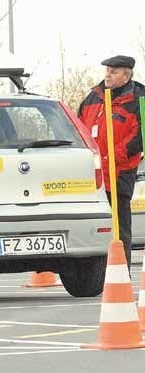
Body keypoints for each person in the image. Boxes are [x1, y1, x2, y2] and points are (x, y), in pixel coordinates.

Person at [78, 55, 145, 270]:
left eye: (114, 71)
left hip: (119, 172)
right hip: (91, 174)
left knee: (119, 225)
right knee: (93, 225)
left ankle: (120, 271)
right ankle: (92, 271)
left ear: (127, 75)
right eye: (107, 70)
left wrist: (114, 156)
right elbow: (78, 128)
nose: (108, 74)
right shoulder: (93, 98)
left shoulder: (138, 100)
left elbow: (139, 136)